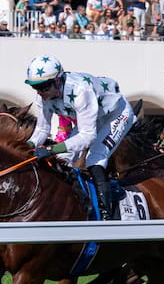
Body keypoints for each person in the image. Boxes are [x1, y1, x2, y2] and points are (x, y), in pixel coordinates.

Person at [25, 55, 136, 220]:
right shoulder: (43, 96)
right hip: (94, 117)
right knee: (63, 159)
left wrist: (52, 148)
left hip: (117, 114)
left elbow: (88, 137)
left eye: (43, 87)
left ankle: (106, 215)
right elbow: (42, 129)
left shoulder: (80, 90)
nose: (40, 92)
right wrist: (25, 146)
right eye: (36, 87)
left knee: (95, 159)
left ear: (57, 81)